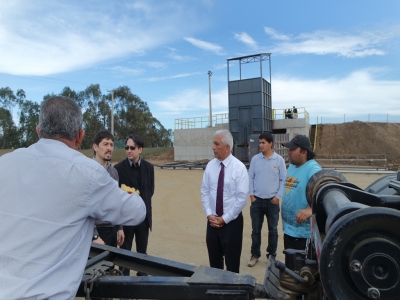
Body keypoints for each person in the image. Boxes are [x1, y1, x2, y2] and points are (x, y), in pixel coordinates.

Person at [0, 96, 146, 300]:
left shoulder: (4, 163)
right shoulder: (88, 173)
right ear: (80, 136)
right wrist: (133, 194)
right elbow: (136, 211)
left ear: (38, 131)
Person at [200, 129, 249, 273]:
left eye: (217, 144)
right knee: (214, 264)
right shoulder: (210, 166)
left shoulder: (239, 168)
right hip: (212, 222)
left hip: (231, 224)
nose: (213, 147)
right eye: (213, 144)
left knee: (232, 265)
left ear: (227, 147)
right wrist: (209, 214)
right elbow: (204, 191)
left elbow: (241, 199)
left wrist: (224, 219)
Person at [114, 134, 155, 276]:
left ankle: (141, 284)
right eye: (127, 147)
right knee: (125, 256)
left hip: (143, 219)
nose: (129, 150)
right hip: (126, 221)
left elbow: (151, 191)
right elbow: (116, 198)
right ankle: (123, 286)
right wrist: (119, 226)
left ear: (140, 149)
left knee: (142, 255)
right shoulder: (118, 169)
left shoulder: (149, 168)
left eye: (132, 148)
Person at [247, 132, 286, 267]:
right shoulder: (255, 160)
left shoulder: (278, 160)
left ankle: (271, 256)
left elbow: (283, 180)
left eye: (263, 143)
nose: (261, 145)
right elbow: (250, 177)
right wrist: (251, 195)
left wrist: (277, 197)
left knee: (273, 230)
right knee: (255, 230)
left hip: (272, 202)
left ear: (271, 144)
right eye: (260, 142)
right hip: (257, 201)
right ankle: (255, 255)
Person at [281, 135, 322, 257]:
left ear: (304, 152)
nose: (289, 152)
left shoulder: (313, 169)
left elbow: (324, 191)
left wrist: (311, 209)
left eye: (292, 149)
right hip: (289, 231)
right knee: (290, 268)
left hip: (303, 235)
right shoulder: (292, 166)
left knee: (300, 271)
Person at [92, 130, 125, 247]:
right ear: (96, 147)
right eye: (105, 144)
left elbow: (117, 202)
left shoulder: (114, 172)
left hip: (112, 229)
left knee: (110, 265)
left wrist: (120, 227)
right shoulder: (88, 171)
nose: (109, 148)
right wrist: (94, 235)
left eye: (111, 145)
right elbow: (84, 206)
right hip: (97, 232)